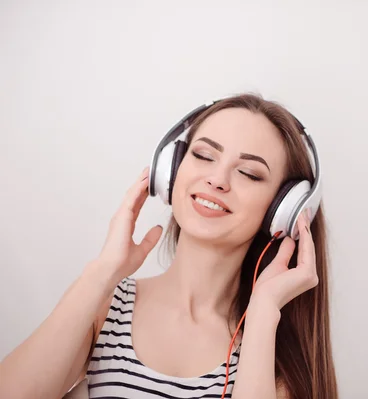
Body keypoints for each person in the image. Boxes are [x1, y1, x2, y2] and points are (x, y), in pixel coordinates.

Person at [0, 93, 338, 399]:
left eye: (249, 173)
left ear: (284, 210)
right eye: (204, 155)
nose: (217, 180)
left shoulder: (273, 350)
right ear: (172, 169)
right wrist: (103, 270)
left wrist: (264, 314)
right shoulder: (106, 307)